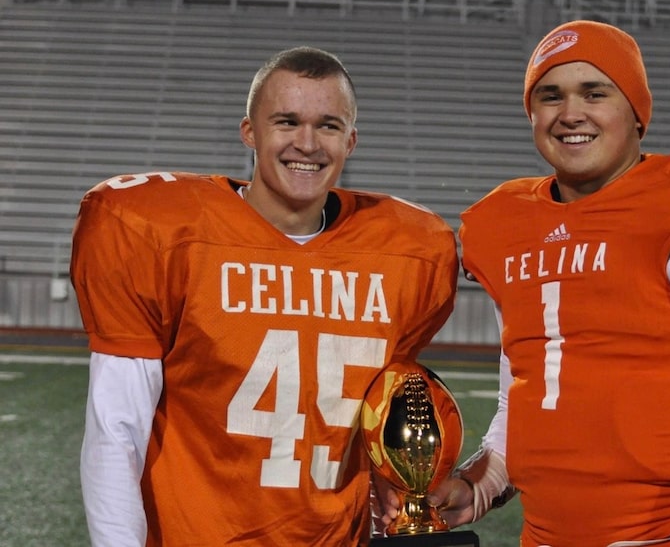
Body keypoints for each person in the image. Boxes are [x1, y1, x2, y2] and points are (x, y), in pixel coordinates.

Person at [403, 20, 670, 547]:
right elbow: (526, 393)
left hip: (665, 536)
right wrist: (482, 482)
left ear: (637, 112)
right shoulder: (501, 223)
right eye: (550, 96)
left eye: (594, 93)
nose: (570, 113)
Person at [70, 46, 459, 546]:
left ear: (352, 140)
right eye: (287, 121)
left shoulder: (410, 250)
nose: (307, 143)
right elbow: (115, 430)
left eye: (329, 126)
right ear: (249, 131)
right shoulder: (164, 234)